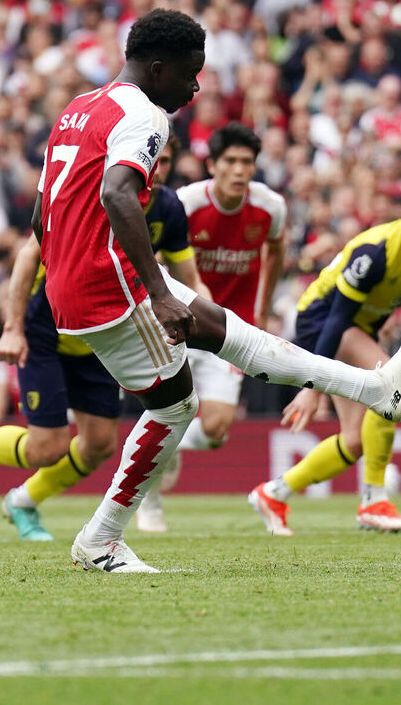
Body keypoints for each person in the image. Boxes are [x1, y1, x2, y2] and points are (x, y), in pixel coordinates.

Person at [0, 9, 401, 573]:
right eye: (190, 74)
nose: (195, 88)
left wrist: (80, 261)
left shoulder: (78, 109)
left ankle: (375, 389)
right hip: (107, 281)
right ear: (157, 66)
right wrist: (156, 290)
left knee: (227, 332)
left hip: (84, 276)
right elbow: (118, 194)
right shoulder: (145, 117)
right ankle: (101, 539)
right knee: (176, 406)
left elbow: (39, 211)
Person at [0, 134, 205, 542]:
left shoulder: (168, 207)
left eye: (167, 161)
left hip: (101, 335)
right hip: (46, 331)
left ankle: (23, 502)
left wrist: (212, 329)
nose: (159, 166)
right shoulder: (91, 191)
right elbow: (29, 254)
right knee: (47, 447)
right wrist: (12, 327)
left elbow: (189, 278)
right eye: (156, 157)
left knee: (99, 445)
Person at [248, 171, 401, 535]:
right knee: (392, 387)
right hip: (322, 322)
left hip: (356, 328)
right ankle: (374, 501)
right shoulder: (374, 252)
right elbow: (337, 319)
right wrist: (313, 388)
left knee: (357, 441)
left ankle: (274, 493)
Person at [137, 122, 286, 533]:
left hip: (230, 325)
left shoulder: (270, 207)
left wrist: (265, 307)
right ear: (213, 165)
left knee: (217, 429)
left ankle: (173, 448)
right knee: (168, 410)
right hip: (179, 322)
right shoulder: (184, 203)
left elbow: (275, 251)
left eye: (247, 163)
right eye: (231, 162)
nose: (240, 170)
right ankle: (150, 505)